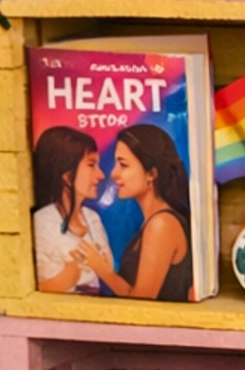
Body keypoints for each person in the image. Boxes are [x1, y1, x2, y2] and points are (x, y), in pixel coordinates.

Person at [75, 124, 191, 301]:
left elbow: (142, 300)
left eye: (123, 164)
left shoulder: (161, 225)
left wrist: (103, 270)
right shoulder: (153, 222)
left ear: (151, 173)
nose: (113, 174)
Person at [31, 125, 112, 293]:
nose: (101, 175)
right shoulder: (42, 222)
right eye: (91, 165)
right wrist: (69, 275)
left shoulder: (92, 218)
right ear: (67, 176)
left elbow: (107, 270)